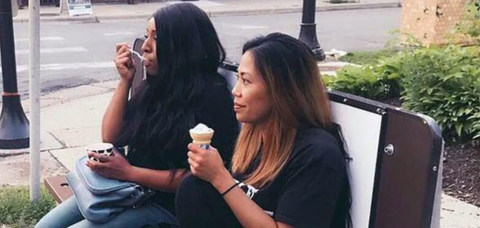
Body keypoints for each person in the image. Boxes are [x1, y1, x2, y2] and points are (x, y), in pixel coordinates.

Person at [35, 3, 238, 228]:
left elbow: (198, 179)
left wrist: (129, 172)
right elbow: (112, 136)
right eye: (146, 36)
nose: (145, 47)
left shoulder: (213, 98)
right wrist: (125, 81)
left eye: (156, 38)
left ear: (182, 45)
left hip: (167, 206)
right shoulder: (159, 85)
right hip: (125, 191)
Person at [176, 33, 352, 228]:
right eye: (238, 79)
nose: (236, 91)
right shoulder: (255, 138)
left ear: (280, 89)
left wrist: (220, 177)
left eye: (246, 81)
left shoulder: (317, 155)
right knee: (194, 188)